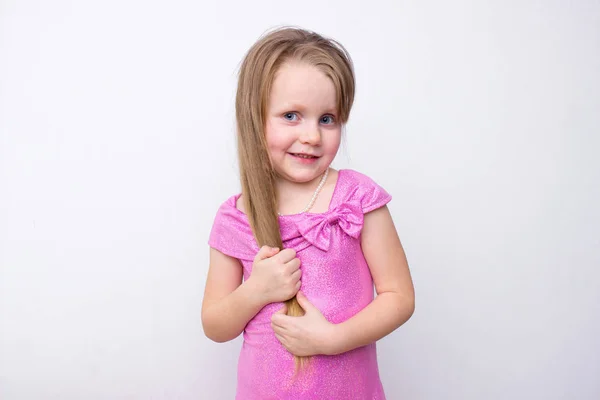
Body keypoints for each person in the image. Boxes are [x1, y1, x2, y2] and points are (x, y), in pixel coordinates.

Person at [201, 26, 415, 399]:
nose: (313, 136)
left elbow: (399, 296)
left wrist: (334, 339)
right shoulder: (236, 217)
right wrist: (257, 290)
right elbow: (215, 325)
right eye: (291, 116)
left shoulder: (356, 197)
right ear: (255, 118)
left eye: (327, 119)